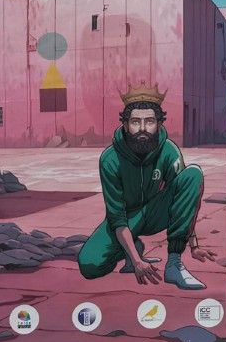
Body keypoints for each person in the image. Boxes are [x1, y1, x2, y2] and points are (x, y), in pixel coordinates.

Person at [76, 85, 206, 291]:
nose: (143, 128)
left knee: (193, 174)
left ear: (159, 124)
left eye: (150, 121)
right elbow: (116, 217)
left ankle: (174, 264)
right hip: (127, 219)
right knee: (89, 265)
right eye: (136, 122)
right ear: (126, 125)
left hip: (156, 212)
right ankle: (132, 249)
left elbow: (186, 197)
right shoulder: (110, 159)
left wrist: (194, 245)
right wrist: (137, 262)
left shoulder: (169, 150)